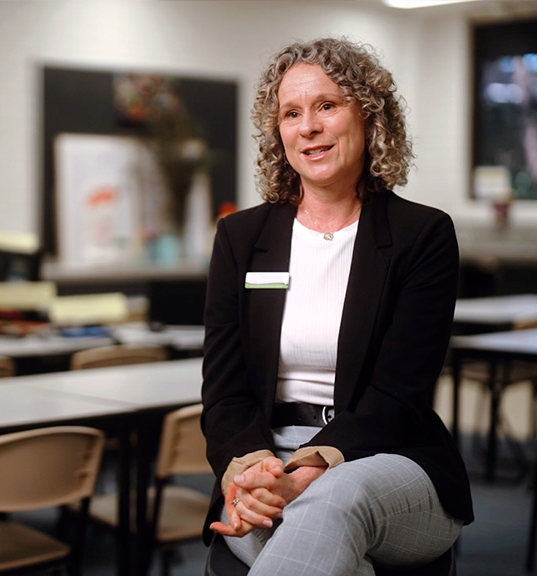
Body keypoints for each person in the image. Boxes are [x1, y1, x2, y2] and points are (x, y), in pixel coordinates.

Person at [200, 37, 474, 576]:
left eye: (327, 105)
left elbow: (399, 393)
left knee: (332, 501)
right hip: (264, 456)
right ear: (278, 133)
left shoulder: (422, 235)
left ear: (370, 117)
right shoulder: (240, 236)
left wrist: (304, 472)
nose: (309, 126)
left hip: (390, 456)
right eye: (291, 113)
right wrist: (253, 471)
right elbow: (224, 390)